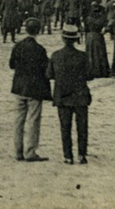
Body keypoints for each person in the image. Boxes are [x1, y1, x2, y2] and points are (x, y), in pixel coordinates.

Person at [47, 25, 92, 165]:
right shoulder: (83, 56)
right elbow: (90, 75)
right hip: (80, 95)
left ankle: (68, 155)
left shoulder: (56, 55)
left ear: (63, 38)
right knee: (82, 127)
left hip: (62, 95)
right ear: (76, 39)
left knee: (65, 126)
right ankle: (82, 154)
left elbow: (49, 75)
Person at [9, 17, 51, 162]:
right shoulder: (39, 49)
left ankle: (17, 151)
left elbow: (12, 65)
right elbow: (46, 69)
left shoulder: (18, 46)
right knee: (33, 120)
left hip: (19, 87)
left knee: (18, 120)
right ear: (38, 31)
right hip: (34, 88)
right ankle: (30, 151)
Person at [84, 3, 110, 78]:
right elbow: (107, 27)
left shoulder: (88, 18)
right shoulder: (102, 18)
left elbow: (85, 29)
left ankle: (91, 70)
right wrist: (103, 32)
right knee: (100, 53)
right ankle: (101, 71)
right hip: (98, 36)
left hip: (90, 36)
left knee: (90, 53)